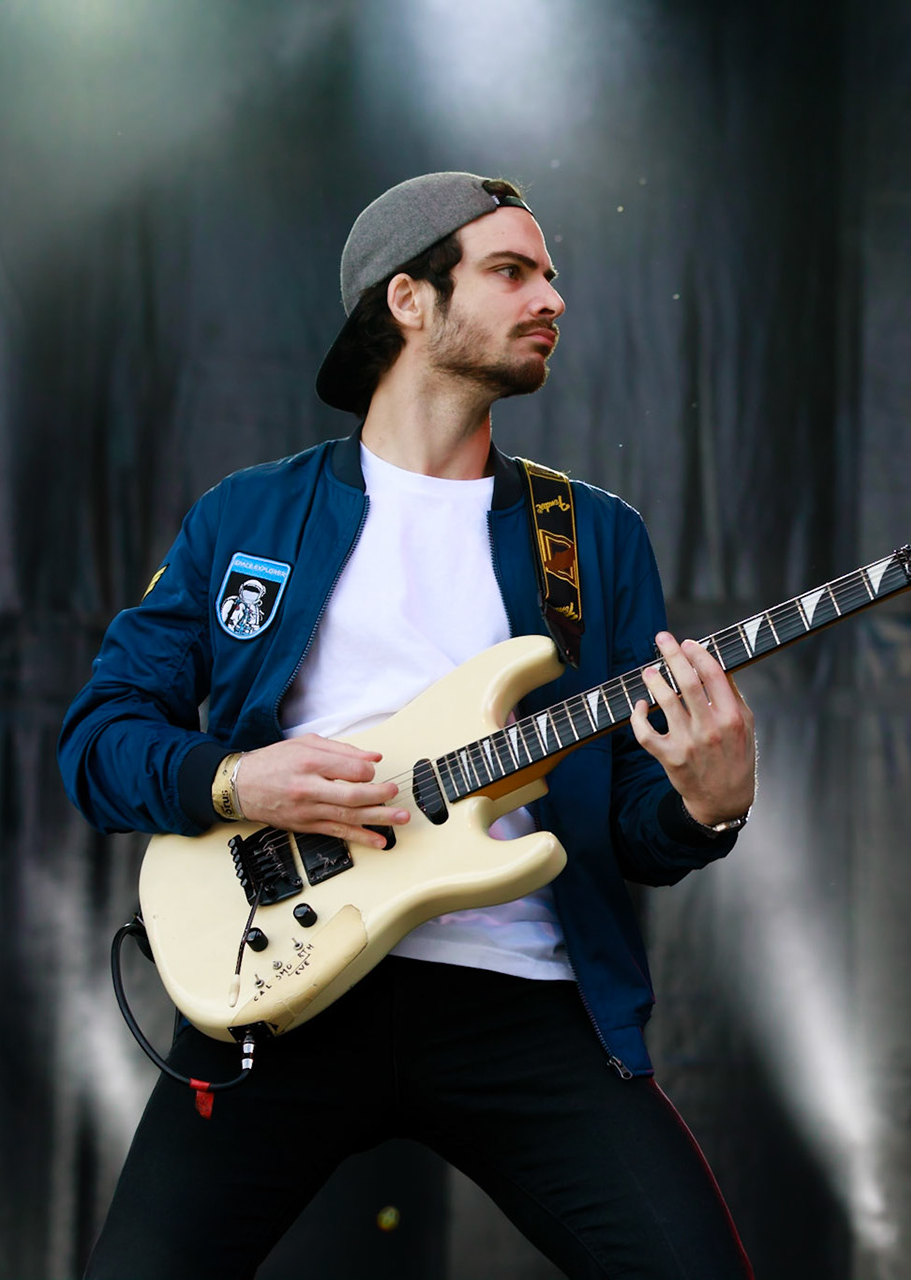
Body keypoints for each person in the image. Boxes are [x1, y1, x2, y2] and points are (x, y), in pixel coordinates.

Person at [60, 172, 757, 1280]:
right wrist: (237, 783)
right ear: (408, 299)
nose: (553, 299)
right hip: (276, 990)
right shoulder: (248, 516)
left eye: (553, 275)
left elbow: (629, 824)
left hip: (519, 999)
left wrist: (707, 808)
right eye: (512, 270)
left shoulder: (593, 537)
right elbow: (95, 744)